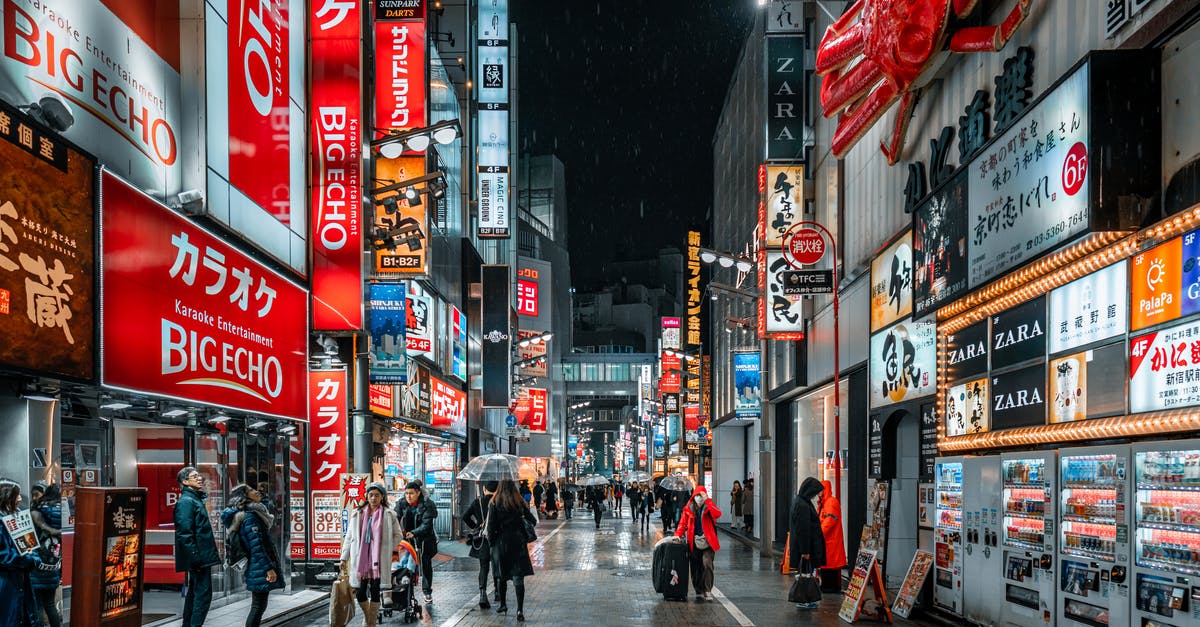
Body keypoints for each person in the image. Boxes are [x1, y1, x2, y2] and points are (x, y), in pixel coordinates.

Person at [342, 482, 405, 627]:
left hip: (379, 559)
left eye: (377, 495)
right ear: (367, 496)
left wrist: (386, 545)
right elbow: (350, 536)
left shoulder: (389, 514)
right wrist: (343, 558)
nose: (373, 498)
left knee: (376, 590)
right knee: (360, 592)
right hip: (361, 558)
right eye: (371, 495)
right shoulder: (357, 513)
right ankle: (368, 617)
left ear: (382, 497)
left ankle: (370, 622)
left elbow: (398, 535)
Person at [221, 484, 284, 627]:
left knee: (259, 605)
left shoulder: (254, 512)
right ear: (244, 497)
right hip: (258, 564)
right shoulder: (250, 517)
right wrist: (268, 568)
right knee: (258, 606)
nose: (256, 491)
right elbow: (257, 546)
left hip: (257, 564)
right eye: (250, 490)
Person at [174, 467, 221, 627]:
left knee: (195, 593)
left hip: (200, 556)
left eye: (198, 475)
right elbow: (184, 533)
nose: (199, 478)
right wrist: (195, 558)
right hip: (199, 558)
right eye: (195, 476)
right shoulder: (187, 502)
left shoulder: (194, 499)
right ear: (185, 482)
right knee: (203, 595)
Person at [486, 479, 537, 622]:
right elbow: (532, 520)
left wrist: (492, 544)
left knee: (502, 575)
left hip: (501, 544)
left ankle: (503, 604)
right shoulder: (519, 503)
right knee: (518, 577)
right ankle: (520, 609)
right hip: (518, 543)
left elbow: (491, 528)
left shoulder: (494, 503)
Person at [0, 480, 41, 626]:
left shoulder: (18, 518)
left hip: (21, 582)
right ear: (7, 497)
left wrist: (32, 557)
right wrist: (28, 559)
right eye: (16, 495)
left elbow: (32, 546)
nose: (20, 499)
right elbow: (4, 555)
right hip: (6, 585)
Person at [674, 486, 723, 601]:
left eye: (701, 496)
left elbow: (717, 514)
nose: (699, 498)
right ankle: (698, 590)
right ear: (693, 496)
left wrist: (708, 501)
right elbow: (682, 524)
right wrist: (677, 535)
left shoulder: (708, 506)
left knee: (707, 564)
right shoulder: (688, 508)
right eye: (697, 495)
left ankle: (707, 590)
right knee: (695, 568)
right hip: (694, 542)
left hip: (708, 542)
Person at [396, 481, 438, 604]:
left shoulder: (427, 504)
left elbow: (427, 524)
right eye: (406, 493)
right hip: (406, 539)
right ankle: (404, 590)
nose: (408, 496)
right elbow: (395, 519)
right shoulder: (401, 503)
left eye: (411, 493)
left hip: (424, 539)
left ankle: (427, 591)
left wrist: (414, 532)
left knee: (425, 564)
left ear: (418, 493)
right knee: (403, 564)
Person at [789, 478, 828, 609]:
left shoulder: (801, 501)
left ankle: (805, 598)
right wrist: (805, 551)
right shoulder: (803, 505)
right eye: (815, 492)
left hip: (805, 547)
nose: (816, 495)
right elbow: (803, 530)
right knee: (805, 574)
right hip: (806, 548)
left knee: (805, 573)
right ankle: (803, 599)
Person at [30, 483, 62, 627]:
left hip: (37, 564)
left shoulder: (37, 511)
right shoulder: (62, 511)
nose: (35, 498)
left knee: (38, 606)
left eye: (37, 494)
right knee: (49, 604)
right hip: (54, 562)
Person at [462, 481, 497, 609]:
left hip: (482, 538)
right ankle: (497, 591)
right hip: (497, 538)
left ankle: (482, 593)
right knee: (496, 564)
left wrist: (476, 527)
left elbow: (465, 517)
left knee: (484, 567)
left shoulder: (478, 502)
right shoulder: (498, 502)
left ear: (484, 489)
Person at [818, 480, 847, 592]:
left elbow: (829, 522)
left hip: (830, 541)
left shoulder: (830, 502)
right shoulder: (825, 503)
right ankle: (828, 586)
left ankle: (830, 587)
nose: (818, 492)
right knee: (828, 565)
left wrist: (818, 534)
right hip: (828, 541)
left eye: (820, 490)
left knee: (830, 565)